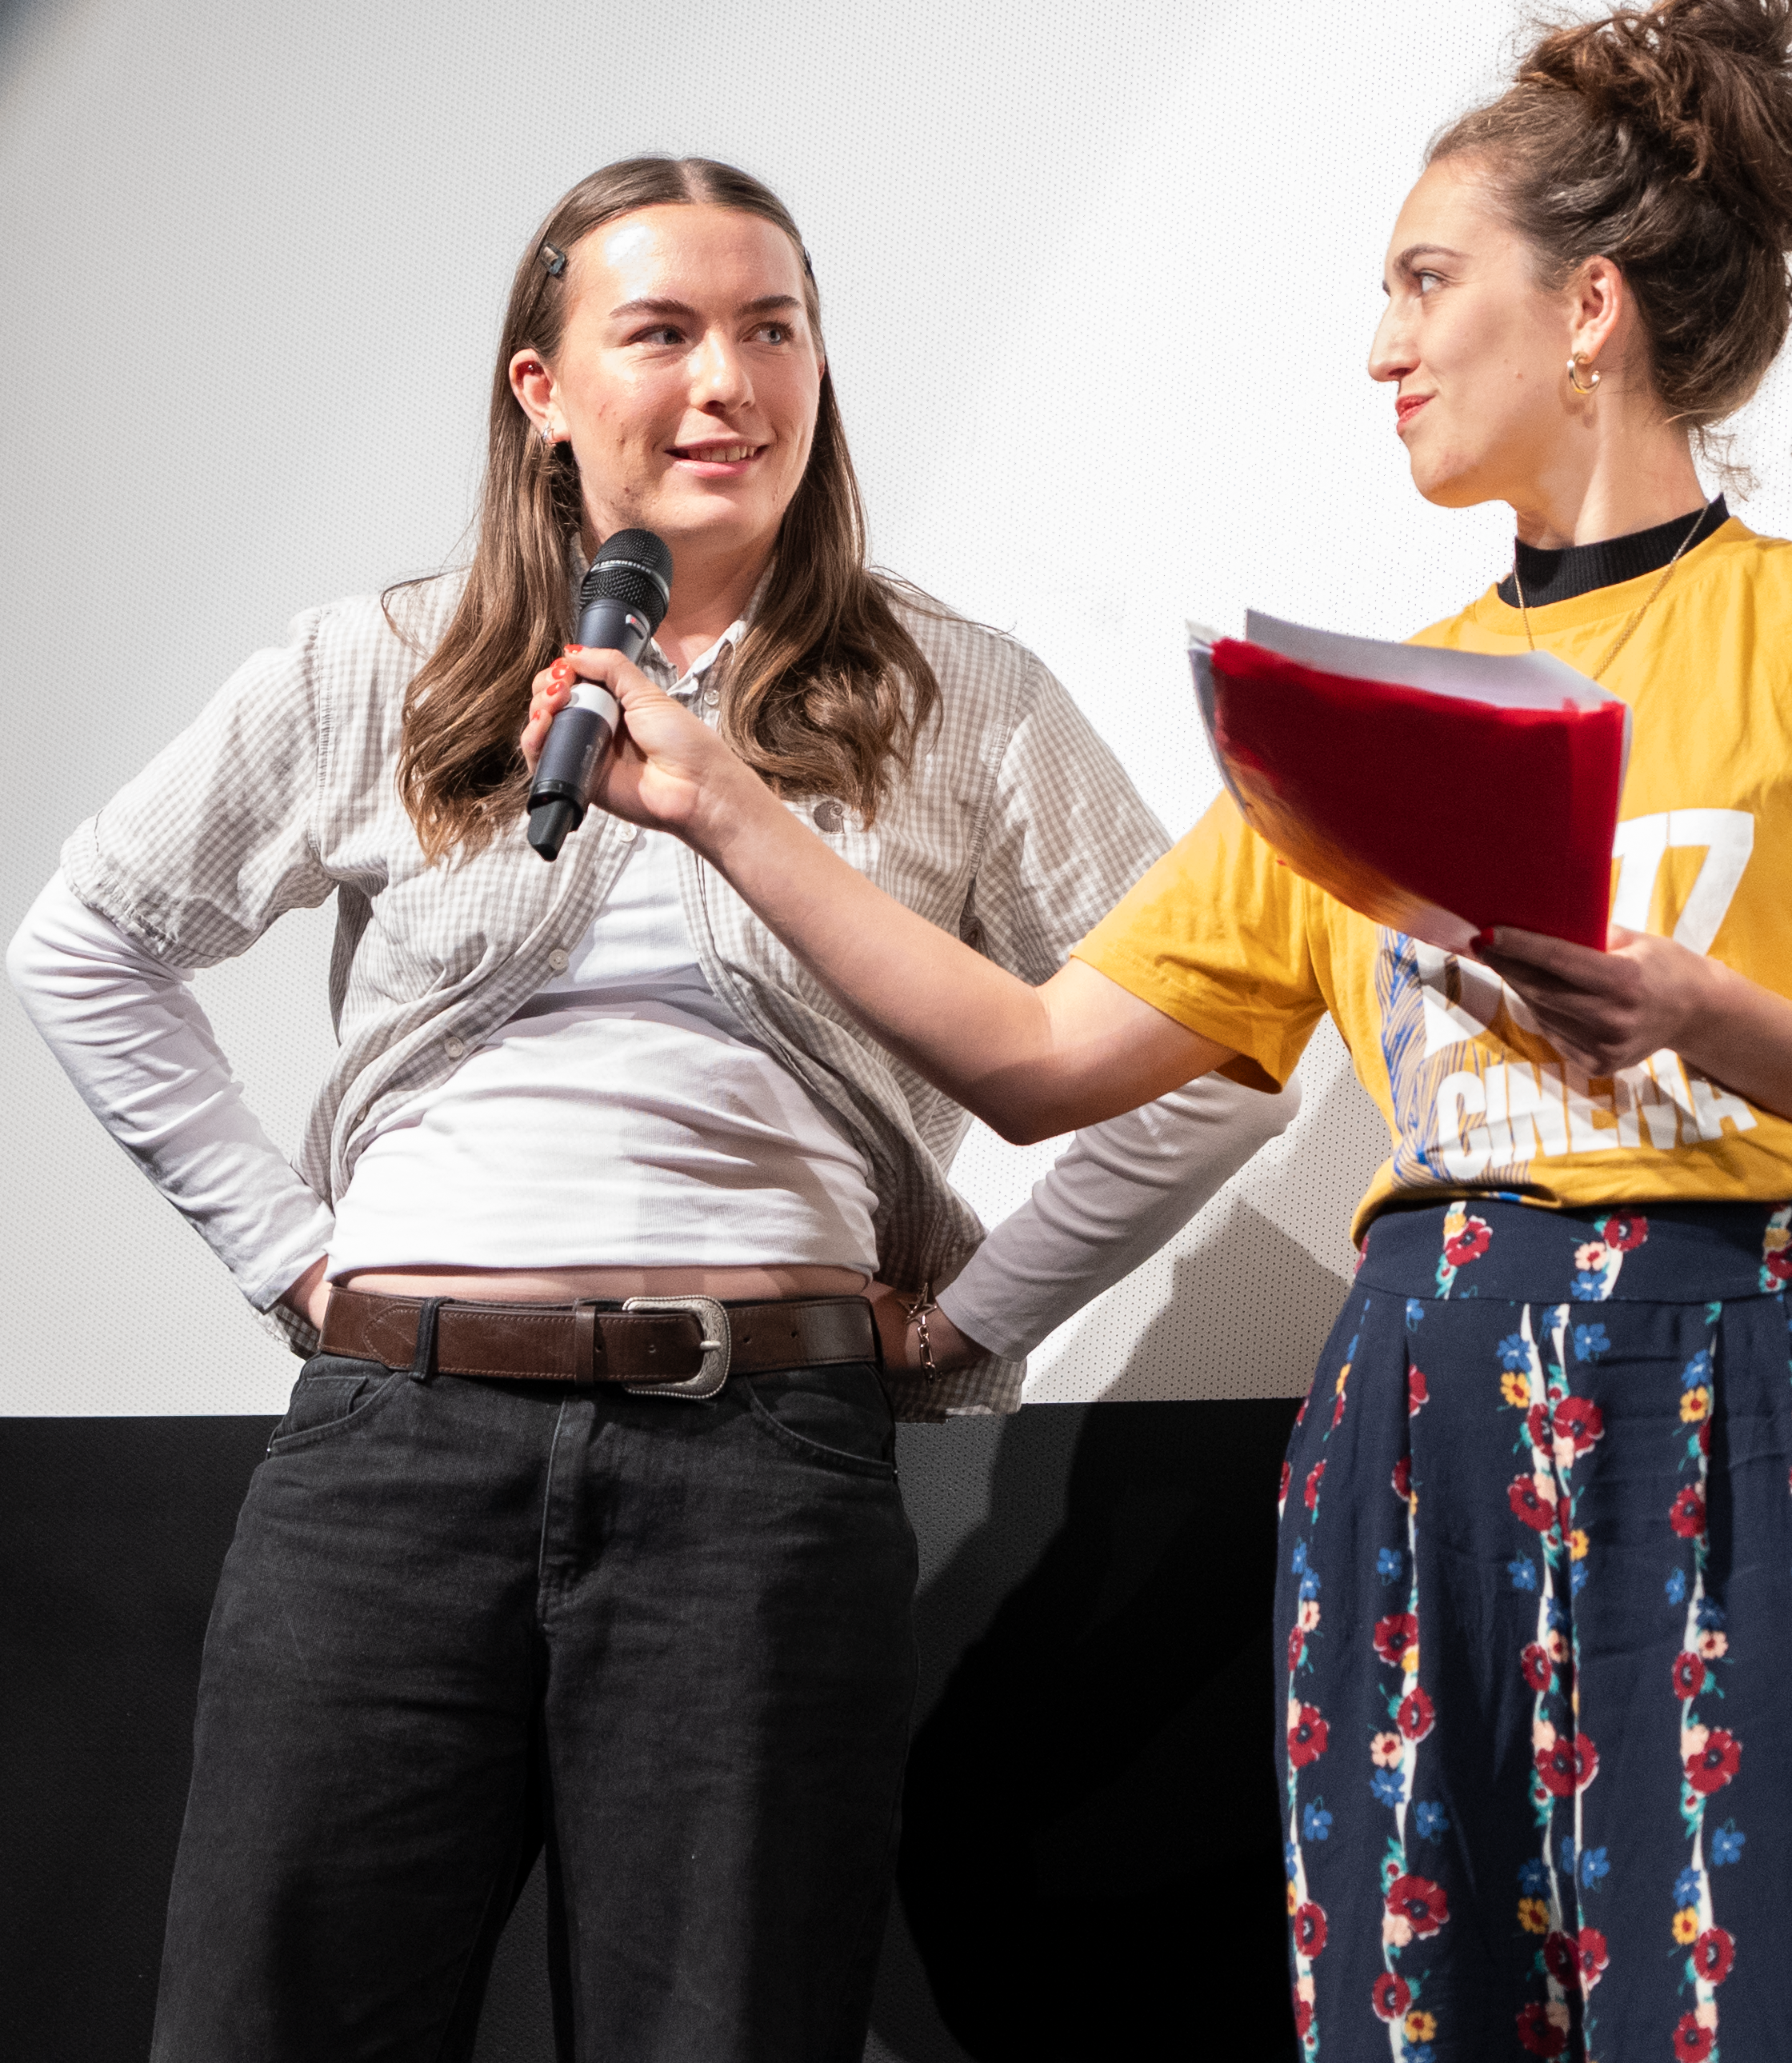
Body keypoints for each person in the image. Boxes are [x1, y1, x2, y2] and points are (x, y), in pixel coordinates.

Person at [518, 0, 1792, 2058]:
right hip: (1419, 1415)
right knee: (1417, 2006)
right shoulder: (1361, 721)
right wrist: (719, 809)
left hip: (1755, 1391)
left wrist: (1708, 1013)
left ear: (1587, 307)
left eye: (1430, 284)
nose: (1384, 345)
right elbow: (1042, 1059)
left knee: (1775, 2004)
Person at [6, 155, 1297, 2061]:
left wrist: (977, 1318)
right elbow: (86, 941)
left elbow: (1220, 1043)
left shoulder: (955, 693)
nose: (730, 382)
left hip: (756, 1475)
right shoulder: (382, 663)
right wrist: (290, 1260)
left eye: (774, 329)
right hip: (389, 1459)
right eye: (663, 331)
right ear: (540, 390)